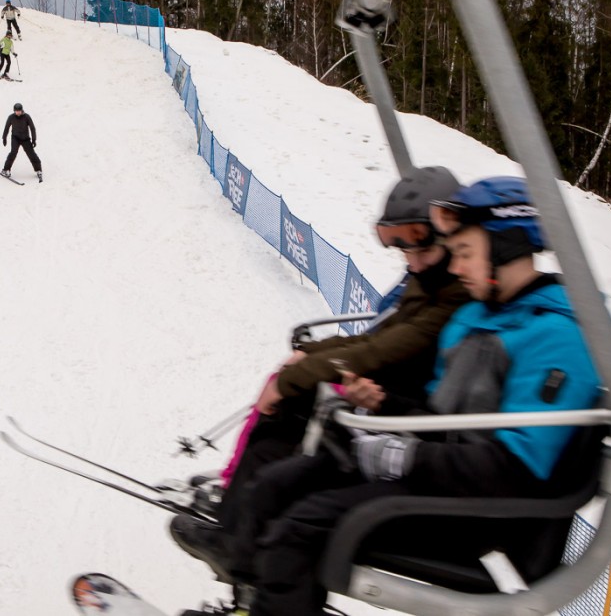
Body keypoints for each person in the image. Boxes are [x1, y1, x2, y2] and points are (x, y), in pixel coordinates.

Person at [179, 176, 604, 616]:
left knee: (302, 524)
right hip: (434, 480)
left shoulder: (557, 339)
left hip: (479, 509)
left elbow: (517, 467)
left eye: (464, 253)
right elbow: (440, 418)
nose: (456, 269)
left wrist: (400, 457)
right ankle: (252, 603)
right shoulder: (475, 319)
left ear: (506, 247)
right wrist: (385, 405)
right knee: (276, 484)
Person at [171, 167, 471, 571]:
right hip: (389, 391)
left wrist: (299, 375)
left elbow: (386, 347)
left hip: (402, 407)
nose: (412, 262)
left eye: (421, 248)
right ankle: (238, 514)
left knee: (290, 404)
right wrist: (309, 356)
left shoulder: (455, 293)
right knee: (286, 405)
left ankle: (239, 529)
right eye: (401, 248)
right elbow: (379, 336)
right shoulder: (430, 280)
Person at [1, 103, 43, 182]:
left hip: (25, 139)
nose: (18, 112)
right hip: (15, 138)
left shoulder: (27, 117)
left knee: (31, 154)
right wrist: (4, 138)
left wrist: (34, 139)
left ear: (22, 110)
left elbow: (32, 128)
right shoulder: (11, 117)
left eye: (19, 111)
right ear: (14, 111)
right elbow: (6, 128)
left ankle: (38, 170)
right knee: (13, 153)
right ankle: (6, 169)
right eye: (16, 111)